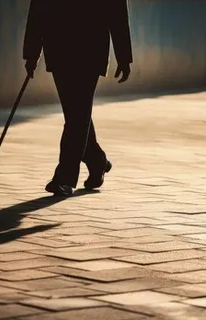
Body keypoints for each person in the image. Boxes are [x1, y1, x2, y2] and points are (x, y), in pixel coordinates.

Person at [23, 0, 133, 197]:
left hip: (89, 48)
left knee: (77, 116)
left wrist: (123, 55)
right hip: (59, 48)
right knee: (76, 114)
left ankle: (65, 178)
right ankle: (97, 160)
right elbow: (39, 6)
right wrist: (32, 52)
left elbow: (116, 9)